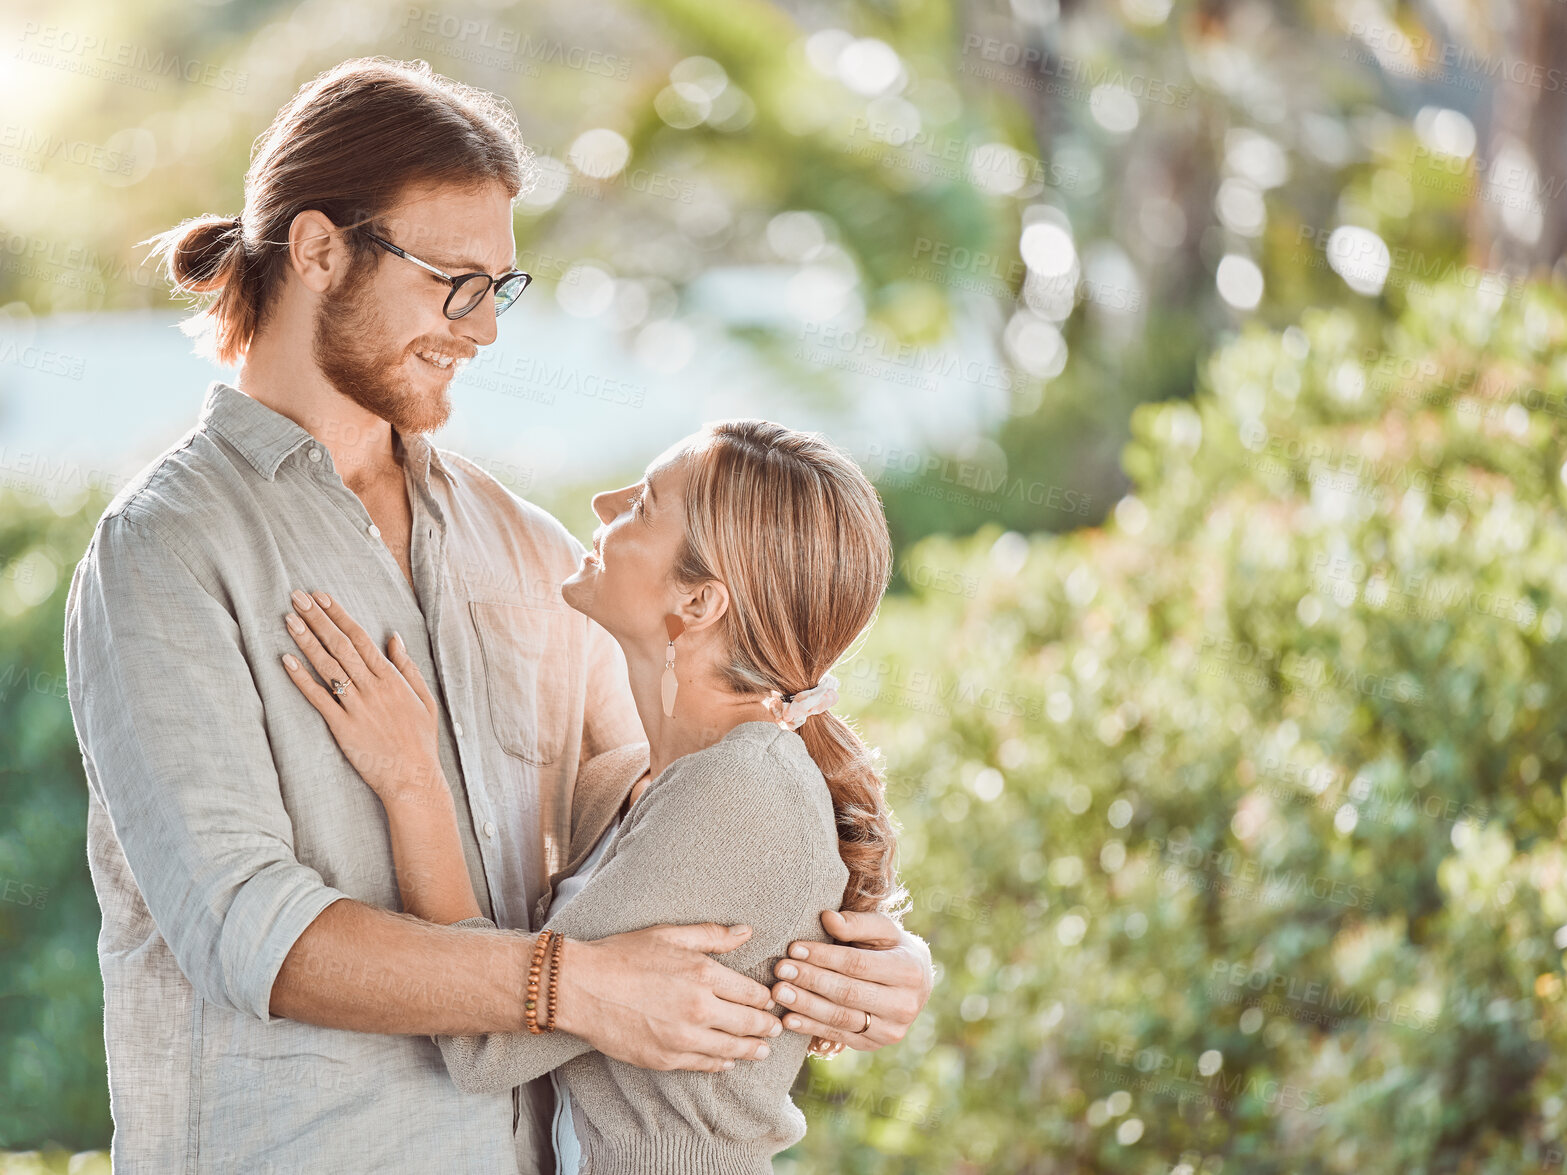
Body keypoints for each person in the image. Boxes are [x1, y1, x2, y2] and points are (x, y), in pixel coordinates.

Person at [62, 56, 932, 1174]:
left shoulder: (517, 544)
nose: (481, 328)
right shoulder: (169, 550)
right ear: (320, 248)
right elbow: (250, 930)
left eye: (499, 288)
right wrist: (568, 984)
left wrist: (865, 952)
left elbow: (663, 803)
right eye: (451, 281)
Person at [277, 420, 907, 1173]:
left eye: (643, 506)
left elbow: (484, 1044)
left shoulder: (741, 790)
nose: (606, 503)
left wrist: (410, 779)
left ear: (700, 601)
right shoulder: (636, 785)